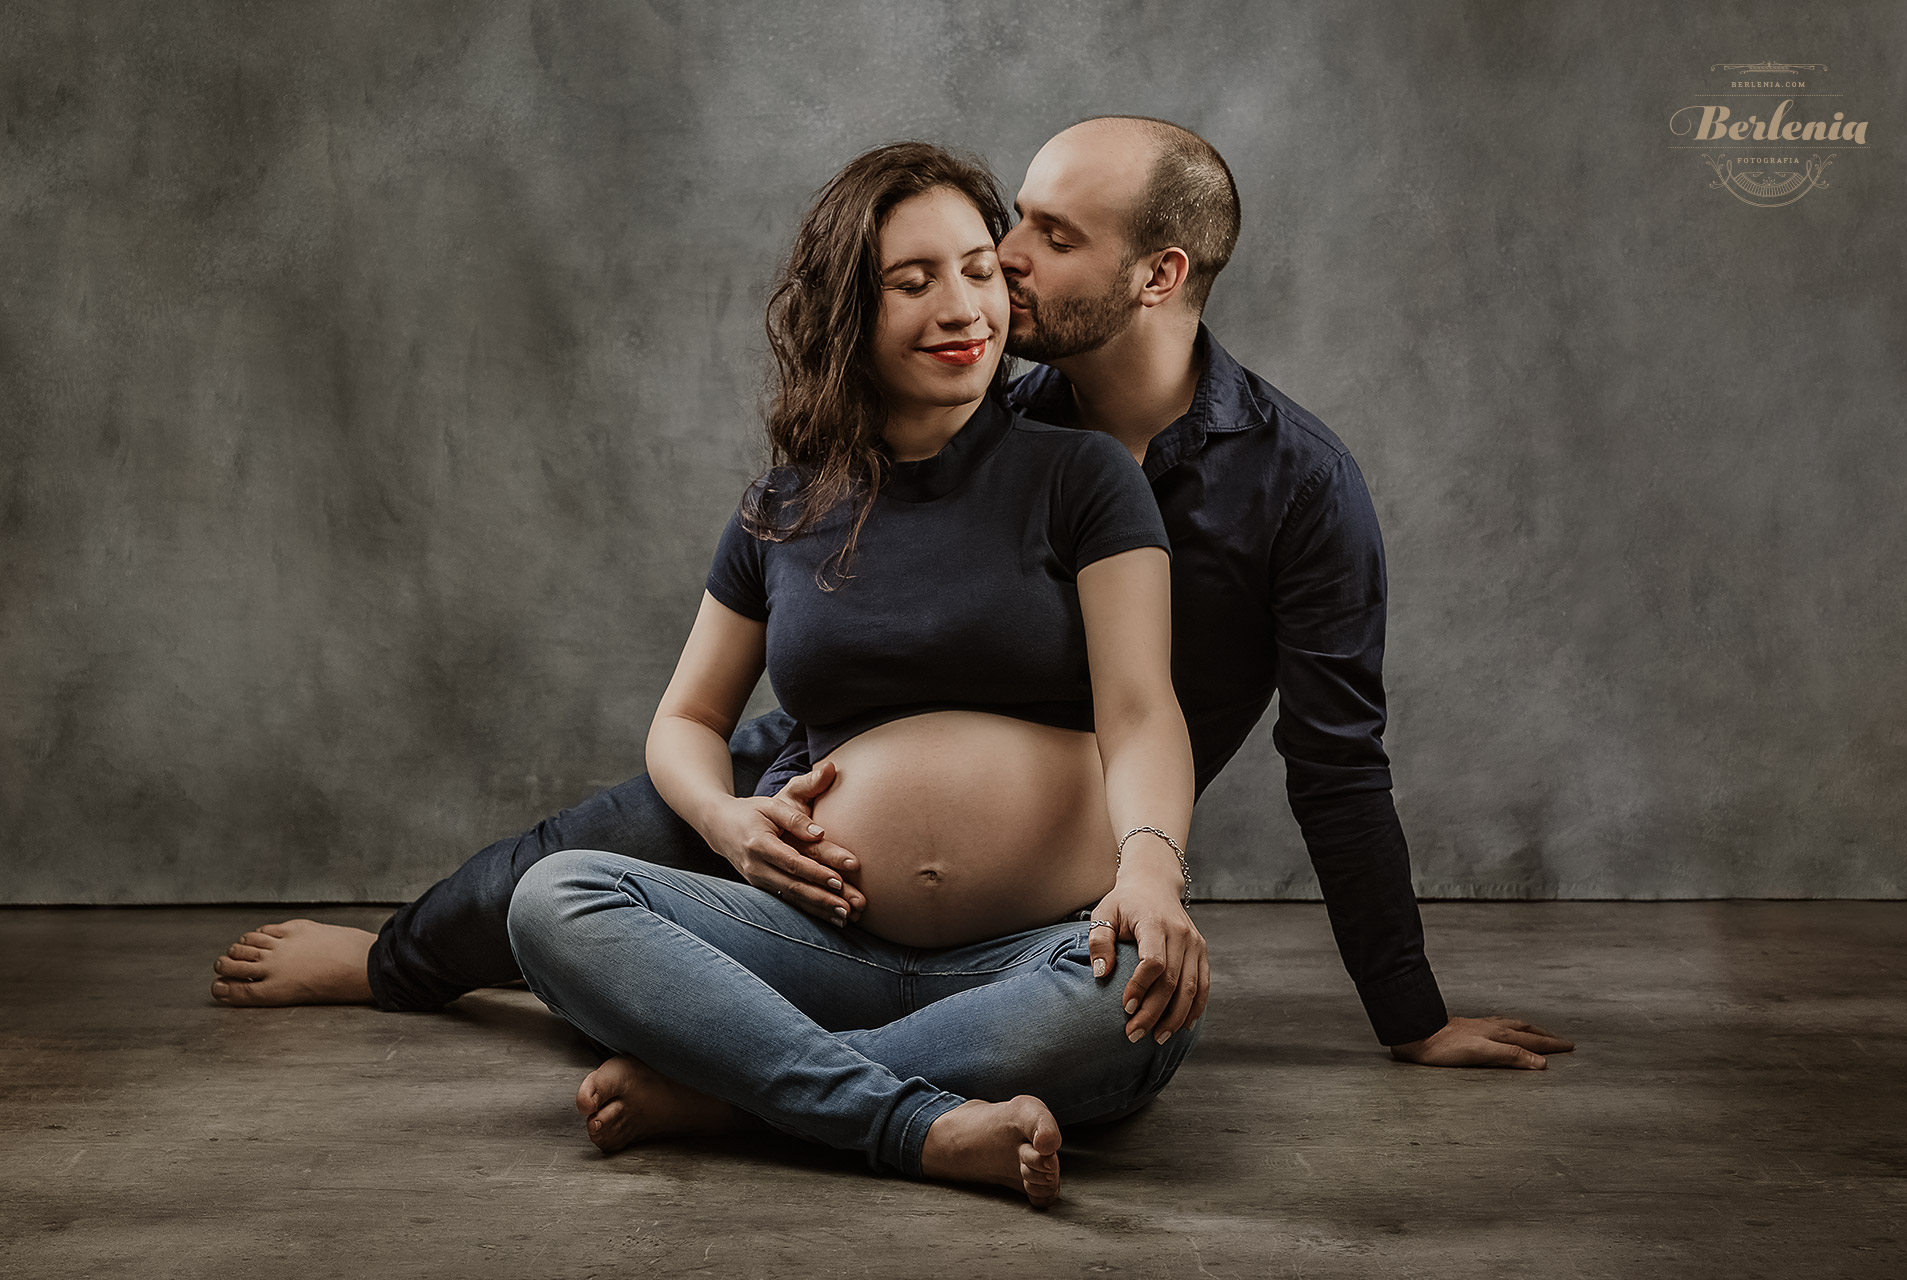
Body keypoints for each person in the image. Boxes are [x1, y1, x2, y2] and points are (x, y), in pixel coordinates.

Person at [212, 118, 1570, 1072]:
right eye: (994, 237)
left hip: (1062, 873)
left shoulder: (1288, 488)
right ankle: (400, 967)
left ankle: (743, 1076)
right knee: (549, 871)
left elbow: (1327, 761)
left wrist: (1409, 1015)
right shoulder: (986, 408)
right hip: (813, 789)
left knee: (1087, 1022)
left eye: (1039, 238)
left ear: (1158, 276)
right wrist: (743, 808)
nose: (1003, 263)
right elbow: (806, 586)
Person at [494, 140, 1206, 1206]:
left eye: (978, 268)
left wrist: (1151, 865)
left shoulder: (1083, 477)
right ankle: (908, 1118)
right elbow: (686, 718)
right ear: (847, 314)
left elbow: (1143, 709)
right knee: (554, 898)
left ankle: (743, 1090)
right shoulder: (783, 507)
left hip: (1039, 951)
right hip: (815, 940)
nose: (964, 307)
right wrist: (728, 823)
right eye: (913, 283)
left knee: (1126, 1009)